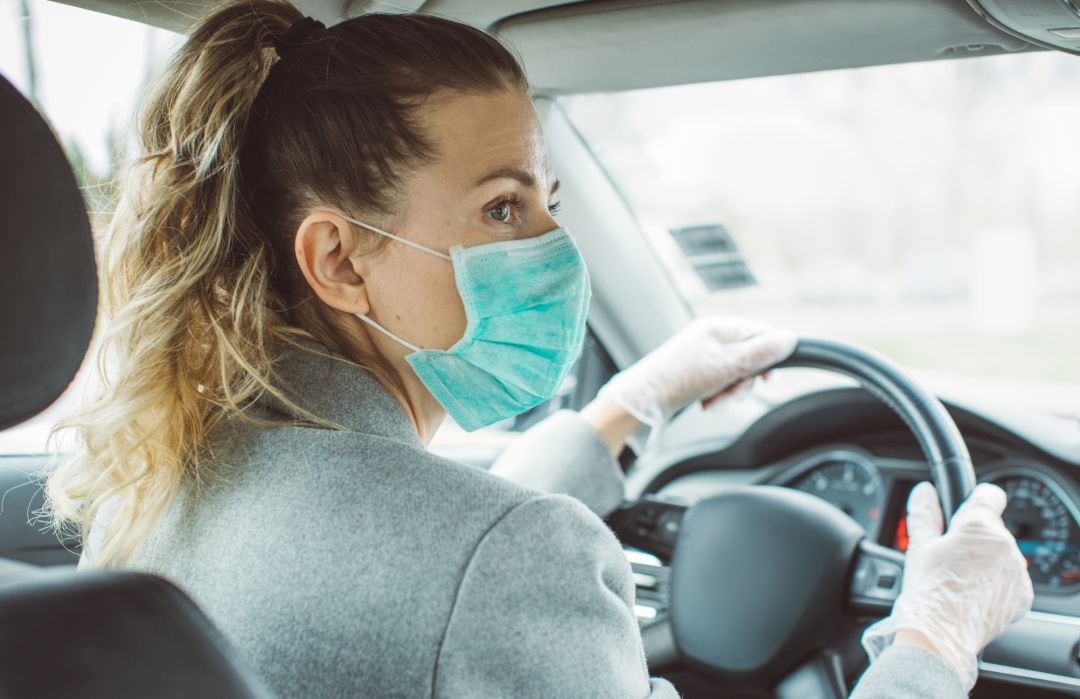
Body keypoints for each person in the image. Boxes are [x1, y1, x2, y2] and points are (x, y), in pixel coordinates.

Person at [46, 2, 1032, 697]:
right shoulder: (517, 563)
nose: (553, 251)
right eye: (504, 206)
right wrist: (932, 639)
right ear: (340, 260)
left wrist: (622, 411)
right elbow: (465, 564)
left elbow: (423, 552)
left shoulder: (156, 474)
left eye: (548, 204)